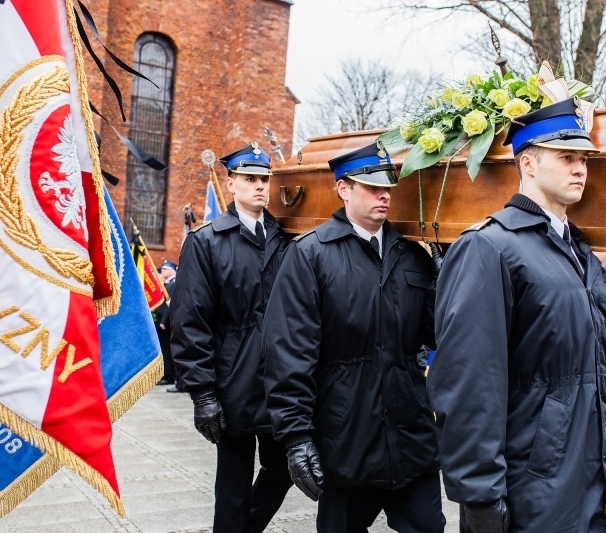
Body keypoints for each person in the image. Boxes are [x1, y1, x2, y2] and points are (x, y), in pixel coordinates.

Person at [427, 97, 606, 533]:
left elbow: (603, 352)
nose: (580, 168)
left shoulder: (578, 251)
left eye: (583, 159)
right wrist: (479, 494)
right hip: (533, 481)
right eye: (566, 157)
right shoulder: (490, 247)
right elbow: (469, 382)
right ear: (527, 163)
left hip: (592, 468)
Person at [262, 142, 446, 533]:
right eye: (371, 186)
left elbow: (434, 334)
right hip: (345, 437)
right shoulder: (311, 255)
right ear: (343, 188)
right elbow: (288, 353)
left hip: (409, 433)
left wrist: (446, 279)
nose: (384, 195)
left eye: (388, 187)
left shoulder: (413, 256)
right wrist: (296, 437)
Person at [169, 142, 293, 532]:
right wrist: (203, 394)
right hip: (232, 380)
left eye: (264, 180)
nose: (259, 187)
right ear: (232, 182)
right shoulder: (206, 241)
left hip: (280, 379)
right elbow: (190, 322)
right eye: (250, 179)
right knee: (233, 485)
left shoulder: (286, 238)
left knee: (285, 466)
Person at [156, 260, 179, 390]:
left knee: (168, 351)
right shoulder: (167, 284)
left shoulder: (173, 284)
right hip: (162, 322)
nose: (163, 270)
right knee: (164, 351)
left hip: (167, 323)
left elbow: (168, 307)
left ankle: (169, 375)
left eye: (165, 268)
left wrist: (164, 321)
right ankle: (166, 374)